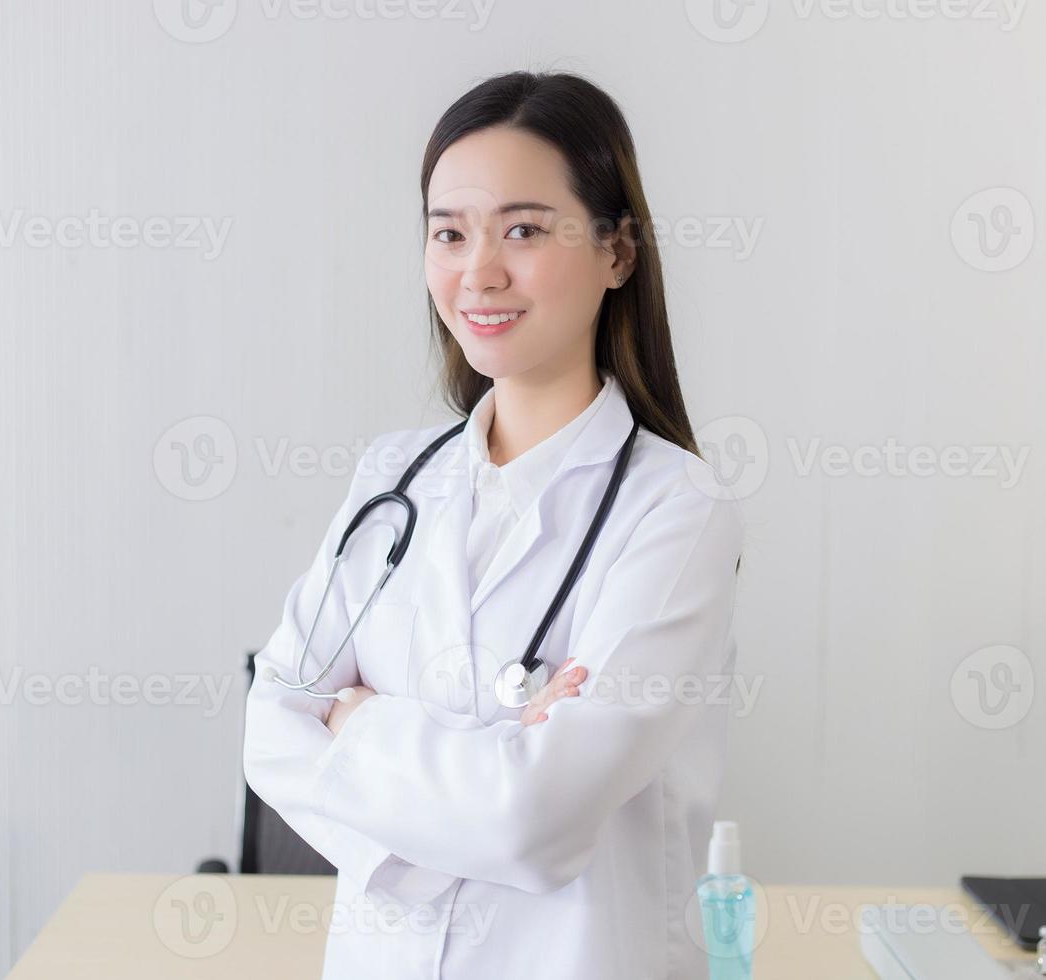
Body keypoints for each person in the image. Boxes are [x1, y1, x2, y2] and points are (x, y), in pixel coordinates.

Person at [243, 70, 746, 980]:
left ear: (617, 252)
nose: (479, 270)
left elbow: (536, 817)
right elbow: (270, 731)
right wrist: (494, 771)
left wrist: (357, 725)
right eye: (449, 232)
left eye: (522, 229)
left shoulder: (677, 513)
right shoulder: (393, 478)